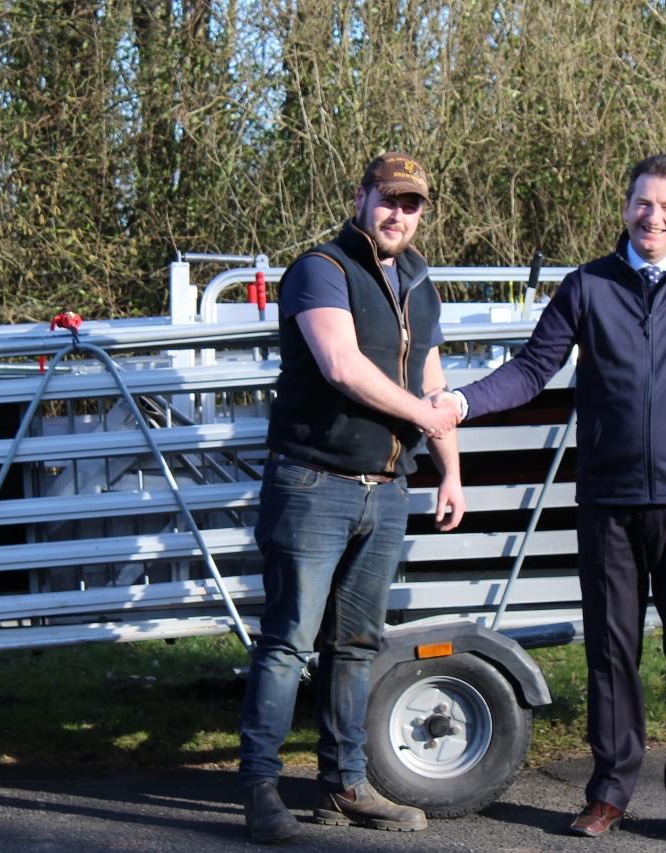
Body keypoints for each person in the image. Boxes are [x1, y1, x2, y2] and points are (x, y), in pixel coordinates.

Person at [438, 154, 666, 839]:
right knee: (611, 651)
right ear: (625, 208)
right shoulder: (588, 286)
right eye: (644, 203)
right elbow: (532, 370)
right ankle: (610, 788)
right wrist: (461, 403)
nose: (655, 216)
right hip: (609, 502)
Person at [237, 151, 465, 843]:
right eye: (389, 198)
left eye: (413, 203)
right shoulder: (320, 270)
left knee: (356, 646)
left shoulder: (421, 283)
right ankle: (259, 788)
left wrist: (450, 468)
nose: (400, 213)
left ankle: (345, 784)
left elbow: (432, 376)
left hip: (386, 488)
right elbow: (341, 366)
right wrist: (426, 419)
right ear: (361, 196)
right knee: (288, 643)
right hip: (312, 484)